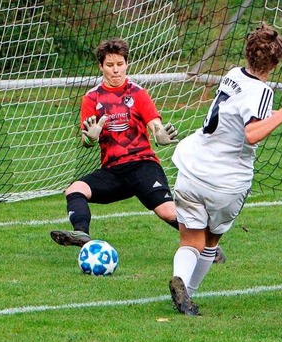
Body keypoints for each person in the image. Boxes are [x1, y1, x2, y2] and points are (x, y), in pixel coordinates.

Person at [168, 23, 282, 315]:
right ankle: (188, 296)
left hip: (191, 166)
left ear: (248, 52)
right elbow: (252, 132)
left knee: (190, 240)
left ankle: (181, 285)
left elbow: (241, 113)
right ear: (275, 63)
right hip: (224, 180)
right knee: (209, 240)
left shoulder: (233, 75)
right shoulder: (262, 91)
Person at [49, 38, 186, 253]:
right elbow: (86, 141)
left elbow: (154, 124)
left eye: (120, 64)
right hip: (113, 171)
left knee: (168, 211)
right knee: (75, 190)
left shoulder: (138, 93)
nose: (115, 70)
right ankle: (82, 234)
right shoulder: (92, 98)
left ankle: (206, 244)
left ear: (126, 64)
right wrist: (91, 137)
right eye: (110, 65)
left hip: (143, 166)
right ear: (101, 66)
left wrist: (159, 134)